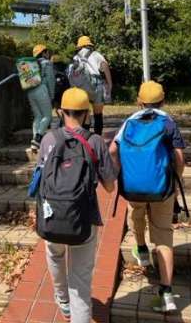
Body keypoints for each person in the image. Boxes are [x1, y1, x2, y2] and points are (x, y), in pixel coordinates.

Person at [37, 87, 117, 323]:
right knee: (80, 283)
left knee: (55, 254)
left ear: (60, 112)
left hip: (51, 216)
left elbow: (40, 178)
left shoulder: (48, 139)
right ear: (86, 114)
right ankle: (75, 309)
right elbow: (110, 187)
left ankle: (62, 300)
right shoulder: (95, 142)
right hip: (84, 218)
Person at [109, 80, 185, 313]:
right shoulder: (168, 122)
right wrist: (175, 180)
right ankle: (167, 294)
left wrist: (120, 173)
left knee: (136, 213)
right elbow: (179, 157)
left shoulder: (129, 122)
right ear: (163, 100)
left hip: (134, 186)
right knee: (163, 237)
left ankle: (141, 249)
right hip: (162, 188)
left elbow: (112, 150)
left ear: (139, 101)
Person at [74, 35, 112, 136]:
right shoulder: (96, 54)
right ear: (89, 45)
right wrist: (109, 83)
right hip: (97, 82)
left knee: (85, 112)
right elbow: (104, 66)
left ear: (80, 46)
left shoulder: (76, 57)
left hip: (82, 85)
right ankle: (98, 137)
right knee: (98, 113)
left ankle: (84, 137)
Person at [27, 44, 55, 151]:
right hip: (41, 90)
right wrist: (52, 95)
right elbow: (50, 80)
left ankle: (34, 142)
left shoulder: (31, 65)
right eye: (47, 52)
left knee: (38, 116)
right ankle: (38, 138)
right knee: (48, 116)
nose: (48, 54)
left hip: (30, 90)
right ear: (43, 53)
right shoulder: (47, 63)